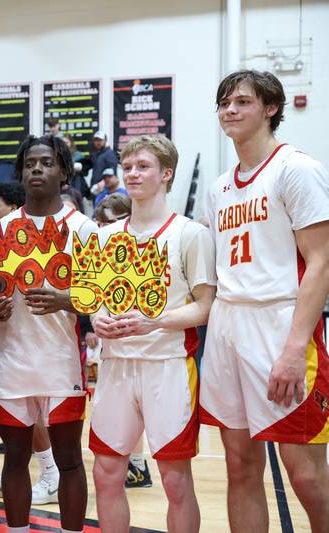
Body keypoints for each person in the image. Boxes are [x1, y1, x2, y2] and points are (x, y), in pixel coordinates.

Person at [200, 69, 329, 532]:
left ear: (272, 108)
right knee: (239, 466)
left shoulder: (296, 169)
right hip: (227, 326)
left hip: (280, 324)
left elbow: (322, 263)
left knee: (306, 476)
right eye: (224, 103)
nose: (229, 110)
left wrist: (295, 349)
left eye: (242, 102)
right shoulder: (217, 189)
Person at [90, 134, 216, 533]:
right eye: (127, 166)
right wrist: (97, 317)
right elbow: (95, 298)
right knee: (107, 473)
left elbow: (205, 305)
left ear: (166, 174)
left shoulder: (189, 234)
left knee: (175, 480)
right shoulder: (106, 236)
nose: (132, 173)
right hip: (115, 367)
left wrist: (155, 320)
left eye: (142, 166)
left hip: (168, 365)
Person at [0, 134, 96, 533]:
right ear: (21, 171)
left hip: (60, 360)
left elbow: (100, 298)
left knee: (68, 461)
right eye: (30, 163)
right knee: (14, 460)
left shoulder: (84, 228)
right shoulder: (2, 227)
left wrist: (65, 300)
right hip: (13, 361)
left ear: (63, 172)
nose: (37, 169)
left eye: (47, 163)